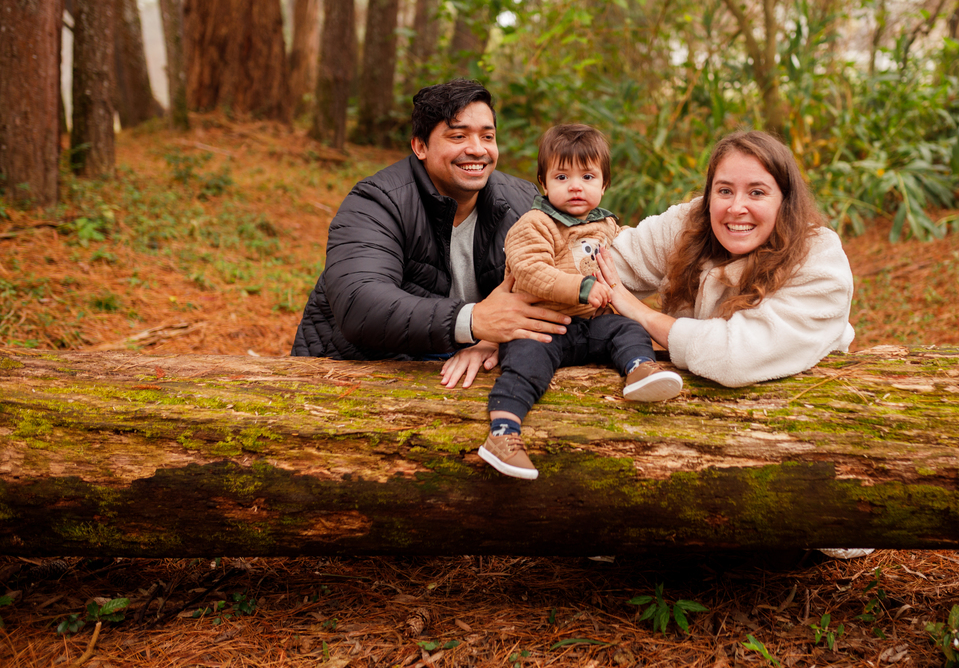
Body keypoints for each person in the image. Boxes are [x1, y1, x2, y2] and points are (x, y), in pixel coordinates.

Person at [596, 130, 871, 560]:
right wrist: (516, 304)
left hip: (796, 437)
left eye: (756, 192)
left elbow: (732, 354)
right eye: (724, 190)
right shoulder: (689, 223)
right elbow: (601, 260)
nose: (736, 207)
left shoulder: (820, 259)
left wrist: (640, 313)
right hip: (698, 422)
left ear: (785, 200)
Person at [290, 79, 571, 387]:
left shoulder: (522, 201)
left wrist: (495, 340)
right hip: (361, 373)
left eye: (487, 136)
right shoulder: (376, 202)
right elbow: (360, 304)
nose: (477, 149)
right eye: (458, 136)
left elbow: (563, 282)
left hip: (476, 364)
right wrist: (474, 320)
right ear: (420, 146)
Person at [478, 124, 683, 481]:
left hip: (590, 326)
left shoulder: (605, 224)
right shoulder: (534, 224)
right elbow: (530, 271)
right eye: (562, 177)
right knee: (524, 363)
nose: (575, 186)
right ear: (543, 184)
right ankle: (503, 431)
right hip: (540, 325)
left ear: (603, 185)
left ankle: (639, 368)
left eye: (587, 177)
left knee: (627, 328)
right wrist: (582, 287)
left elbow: (629, 251)